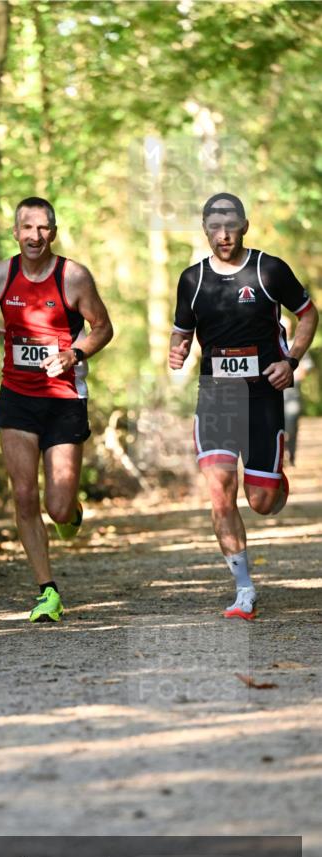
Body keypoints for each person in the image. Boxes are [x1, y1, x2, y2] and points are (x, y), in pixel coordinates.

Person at [0, 197, 113, 622]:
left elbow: (103, 327)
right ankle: (48, 591)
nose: (35, 236)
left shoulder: (73, 276)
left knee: (58, 507)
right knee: (24, 495)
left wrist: (76, 353)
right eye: (27, 227)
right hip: (18, 398)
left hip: (64, 399)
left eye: (43, 228)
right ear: (15, 232)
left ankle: (71, 513)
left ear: (53, 233)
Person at [169, 193, 318, 619]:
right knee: (220, 492)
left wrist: (290, 362)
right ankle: (243, 589)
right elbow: (181, 331)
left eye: (230, 226)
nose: (223, 235)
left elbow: (309, 315)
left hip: (262, 395)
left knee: (261, 501)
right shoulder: (192, 280)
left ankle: (273, 482)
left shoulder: (269, 270)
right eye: (215, 227)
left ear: (244, 227)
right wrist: (177, 350)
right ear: (204, 229)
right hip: (216, 396)